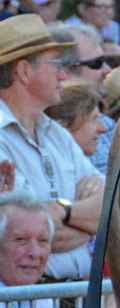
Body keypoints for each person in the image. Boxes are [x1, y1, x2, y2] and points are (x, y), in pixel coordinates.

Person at [0, 17, 102, 283]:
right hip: (30, 304)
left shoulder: (56, 133)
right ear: (23, 71)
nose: (64, 75)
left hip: (69, 300)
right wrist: (87, 224)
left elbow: (110, 211)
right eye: (55, 65)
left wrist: (62, 212)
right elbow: (22, 232)